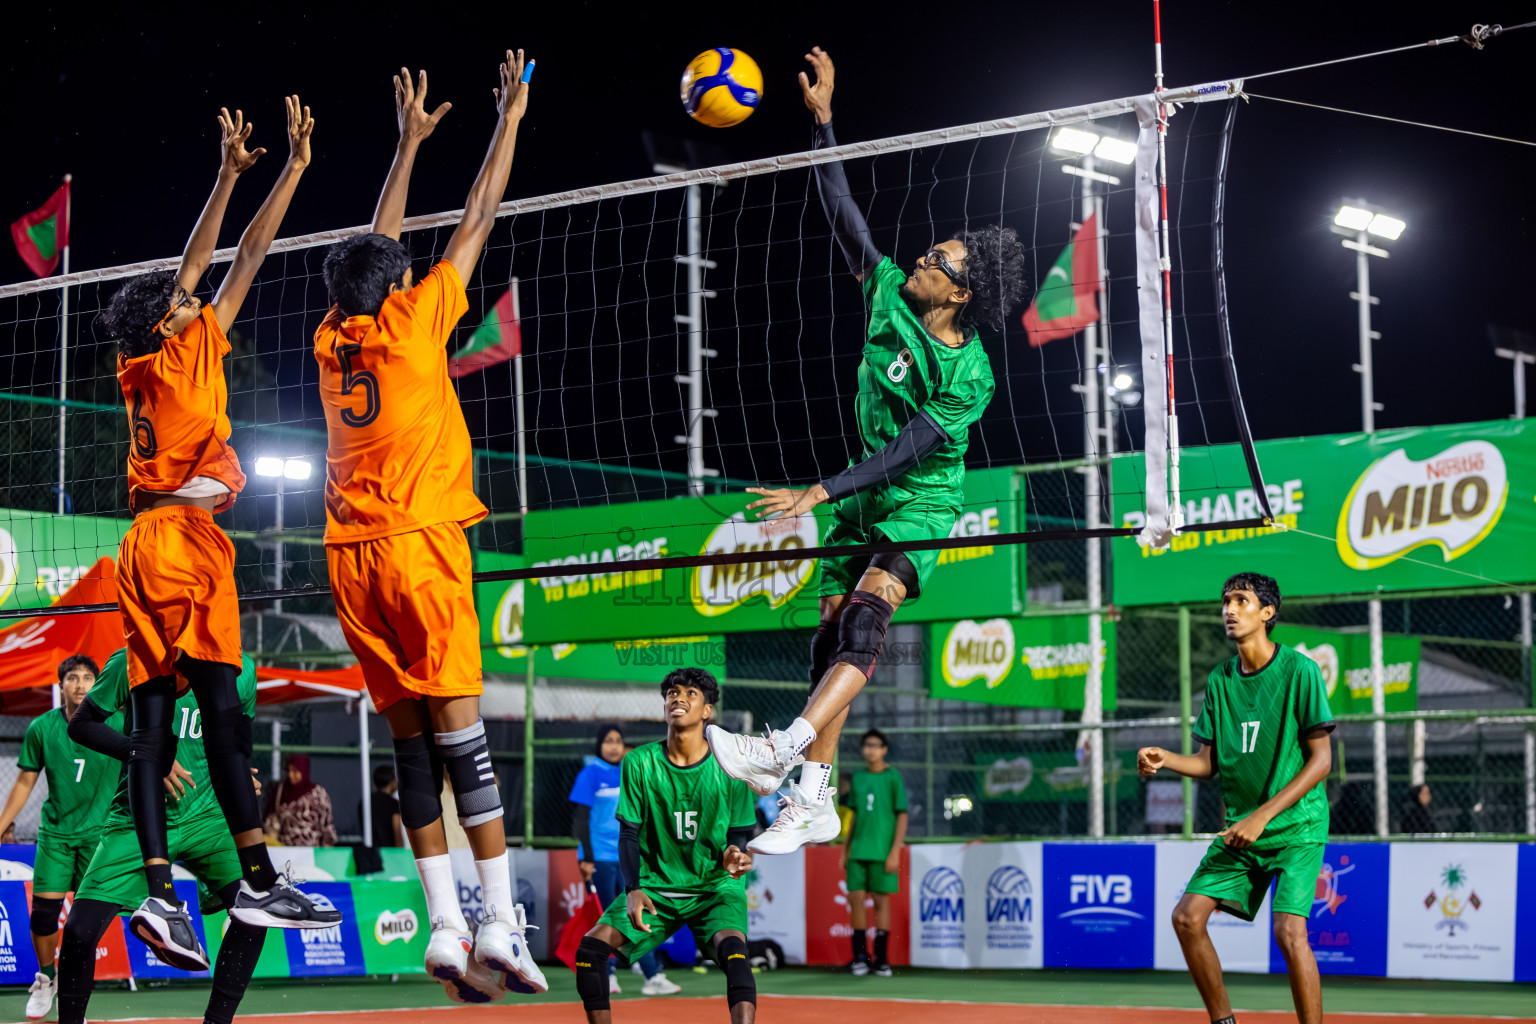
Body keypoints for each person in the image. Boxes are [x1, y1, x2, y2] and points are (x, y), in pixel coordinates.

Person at [706, 46, 1028, 854]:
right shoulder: (888, 292)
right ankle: (813, 799)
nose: (923, 256)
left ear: (961, 292)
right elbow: (840, 206)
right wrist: (823, 123)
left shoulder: (970, 371)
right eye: (928, 252)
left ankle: (784, 752)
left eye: (940, 260)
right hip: (862, 496)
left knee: (865, 620)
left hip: (919, 498)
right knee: (827, 641)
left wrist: (818, 492)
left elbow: (913, 448)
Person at [312, 54, 542, 1003]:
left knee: (413, 748)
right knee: (464, 742)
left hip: (347, 556)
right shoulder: (412, 326)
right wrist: (508, 122)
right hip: (417, 544)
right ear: (397, 287)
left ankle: (443, 928)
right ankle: (500, 921)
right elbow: (477, 217)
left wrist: (406, 144)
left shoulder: (333, 337)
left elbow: (377, 242)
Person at [99, 94, 336, 953]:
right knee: (223, 717)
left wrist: (253, 173)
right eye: (182, 299)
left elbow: (219, 266)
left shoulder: (143, 367)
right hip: (183, 546)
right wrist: (249, 176)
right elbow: (235, 258)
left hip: (145, 542)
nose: (195, 299)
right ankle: (259, 885)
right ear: (168, 318)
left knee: (154, 720)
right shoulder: (176, 352)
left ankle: (163, 895)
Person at [1136, 573, 1334, 1024]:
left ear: (1267, 613)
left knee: (1288, 932)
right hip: (1243, 828)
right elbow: (1208, 764)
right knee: (1187, 918)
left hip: (1296, 826)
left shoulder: (1300, 671)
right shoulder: (1221, 680)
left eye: (1241, 600)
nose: (1229, 608)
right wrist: (1166, 757)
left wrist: (1262, 817)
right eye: (1225, 601)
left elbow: (1321, 761)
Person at [61, 649, 266, 1024]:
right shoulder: (131, 660)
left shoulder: (243, 670)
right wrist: (145, 754)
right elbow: (81, 723)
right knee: (77, 931)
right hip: (137, 818)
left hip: (209, 816)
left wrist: (243, 773)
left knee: (256, 911)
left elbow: (239, 738)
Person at [574, 669, 757, 1024]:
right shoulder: (639, 762)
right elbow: (629, 832)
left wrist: (736, 853)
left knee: (734, 952)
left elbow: (738, 835)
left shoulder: (731, 766)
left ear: (707, 711)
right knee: (590, 950)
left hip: (714, 887)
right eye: (672, 692)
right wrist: (633, 889)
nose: (678, 698)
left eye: (691, 693)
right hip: (656, 887)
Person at [0, 656, 116, 1021]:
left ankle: (74, 989)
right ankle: (46, 977)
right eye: (72, 678)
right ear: (61, 685)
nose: (80, 684)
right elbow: (23, 781)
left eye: (87, 678)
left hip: (101, 837)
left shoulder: (116, 723)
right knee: (44, 917)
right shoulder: (42, 728)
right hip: (56, 835)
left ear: (97, 684)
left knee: (87, 924)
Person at [569, 724, 679, 997]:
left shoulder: (630, 771)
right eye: (608, 741)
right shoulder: (589, 774)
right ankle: (610, 975)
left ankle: (648, 976)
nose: (614, 746)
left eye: (618, 741)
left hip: (629, 858)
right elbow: (580, 821)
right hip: (600, 860)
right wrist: (587, 859)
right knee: (612, 918)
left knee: (635, 915)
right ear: (599, 745)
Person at [841, 729, 907, 977]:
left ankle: (882, 959)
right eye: (867, 745)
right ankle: (860, 957)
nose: (871, 749)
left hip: (882, 851)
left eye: (876, 745)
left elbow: (902, 814)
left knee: (881, 903)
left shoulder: (893, 777)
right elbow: (855, 816)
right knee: (855, 900)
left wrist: (895, 852)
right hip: (858, 851)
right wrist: (846, 850)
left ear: (884, 749)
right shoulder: (857, 778)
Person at [263, 755, 337, 847]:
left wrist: (327, 849)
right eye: (288, 771)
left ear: (304, 771)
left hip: (313, 852)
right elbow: (272, 822)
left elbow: (326, 824)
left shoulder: (318, 794)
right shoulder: (280, 792)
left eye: (295, 771)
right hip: (285, 851)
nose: (290, 775)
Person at [368, 764, 405, 847]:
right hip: (390, 853)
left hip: (370, 852)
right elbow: (397, 831)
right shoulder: (393, 803)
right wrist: (400, 853)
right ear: (391, 781)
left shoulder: (366, 802)